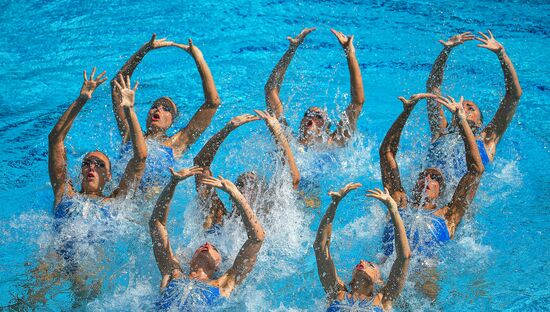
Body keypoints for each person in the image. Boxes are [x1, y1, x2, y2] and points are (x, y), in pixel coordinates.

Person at [39, 71, 146, 306]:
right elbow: (55, 140)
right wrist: (82, 99)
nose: (91, 166)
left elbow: (140, 158)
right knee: (28, 297)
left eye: (99, 164)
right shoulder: (64, 192)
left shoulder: (116, 200)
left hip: (91, 268)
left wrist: (129, 111)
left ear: (108, 176)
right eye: (87, 162)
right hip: (55, 259)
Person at [379, 94, 485, 299]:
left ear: (441, 189)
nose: (427, 179)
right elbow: (386, 153)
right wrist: (406, 113)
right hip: (385, 268)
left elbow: (475, 170)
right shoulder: (399, 202)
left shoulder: (448, 215)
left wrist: (461, 121)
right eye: (423, 175)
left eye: (434, 177)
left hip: (423, 275)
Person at [112, 34, 221, 192]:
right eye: (155, 106)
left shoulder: (177, 143)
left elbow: (213, 103)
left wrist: (199, 59)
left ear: (172, 121)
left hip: (145, 211)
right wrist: (143, 50)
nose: (159, 109)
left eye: (166, 109)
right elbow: (116, 87)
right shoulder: (131, 135)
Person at [149, 167, 265, 310]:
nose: (207, 245)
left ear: (219, 264)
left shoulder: (224, 284)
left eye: (214, 248)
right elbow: (156, 224)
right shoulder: (173, 272)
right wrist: (172, 183)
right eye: (201, 247)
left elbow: (257, 238)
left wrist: (236, 194)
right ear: (190, 260)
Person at [425, 31, 522, 183]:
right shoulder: (441, 131)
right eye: (461, 105)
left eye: (470, 108)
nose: (464, 108)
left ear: (479, 123)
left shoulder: (487, 141)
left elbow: (513, 96)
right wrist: (446, 50)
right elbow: (433, 86)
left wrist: (502, 55)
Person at [313, 184, 411, 311]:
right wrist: (334, 204)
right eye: (362, 262)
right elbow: (320, 248)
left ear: (378, 280)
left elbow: (404, 257)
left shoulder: (384, 300)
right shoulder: (337, 292)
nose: (361, 261)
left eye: (370, 265)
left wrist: (394, 210)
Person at [265, 28, 365, 148]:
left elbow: (357, 102)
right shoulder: (288, 141)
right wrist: (292, 49)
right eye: (308, 114)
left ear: (326, 128)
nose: (311, 117)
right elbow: (270, 90)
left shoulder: (334, 144)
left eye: (318, 116)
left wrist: (350, 53)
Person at [192, 114, 261, 231]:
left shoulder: (266, 228)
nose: (241, 189)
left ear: (259, 197)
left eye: (250, 185)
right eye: (239, 184)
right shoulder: (217, 215)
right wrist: (227, 129)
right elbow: (200, 164)